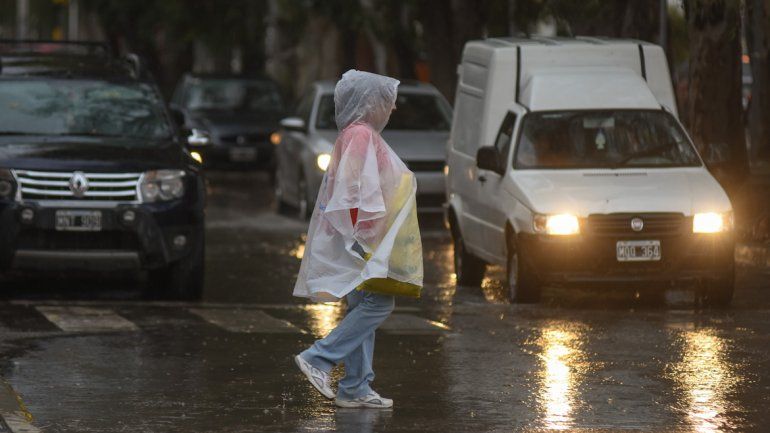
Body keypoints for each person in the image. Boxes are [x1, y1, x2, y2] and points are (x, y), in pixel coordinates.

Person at [292, 70, 423, 409]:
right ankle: (319, 358)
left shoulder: (353, 134)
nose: (391, 109)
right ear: (370, 102)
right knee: (379, 303)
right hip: (363, 237)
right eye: (387, 101)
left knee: (362, 306)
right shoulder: (362, 136)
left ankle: (355, 387)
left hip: (359, 235)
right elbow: (353, 188)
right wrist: (365, 236)